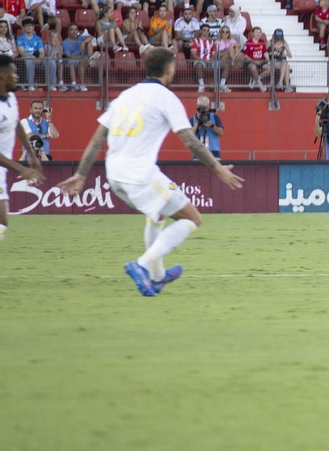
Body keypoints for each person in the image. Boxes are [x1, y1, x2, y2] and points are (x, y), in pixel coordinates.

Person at [60, 47, 243, 296]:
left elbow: (96, 139)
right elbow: (191, 141)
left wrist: (81, 174)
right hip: (140, 174)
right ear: (169, 69)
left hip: (114, 174)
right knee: (192, 218)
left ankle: (157, 277)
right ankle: (142, 266)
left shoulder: (125, 96)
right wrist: (218, 168)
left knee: (157, 215)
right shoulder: (165, 97)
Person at [0, 54, 46, 245]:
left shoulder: (11, 98)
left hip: (2, 168)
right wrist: (21, 170)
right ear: (2, 76)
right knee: (1, 221)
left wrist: (31, 155)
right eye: (14, 73)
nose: (17, 77)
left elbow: (16, 123)